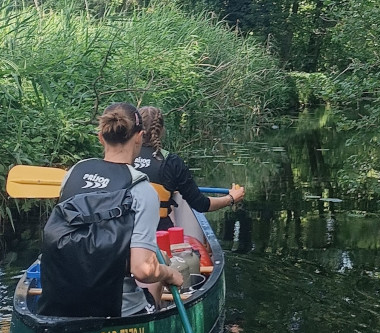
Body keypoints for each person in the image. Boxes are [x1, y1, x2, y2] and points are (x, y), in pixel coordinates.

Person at [40, 102, 183, 318]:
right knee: (157, 264)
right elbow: (142, 271)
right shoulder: (141, 190)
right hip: (118, 311)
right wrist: (170, 273)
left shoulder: (75, 172)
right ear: (139, 137)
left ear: (101, 138)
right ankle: (157, 308)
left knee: (154, 257)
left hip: (59, 306)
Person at [134, 105, 245, 228]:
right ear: (162, 130)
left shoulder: (121, 159)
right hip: (159, 233)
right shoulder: (172, 162)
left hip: (125, 233)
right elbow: (201, 204)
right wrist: (231, 198)